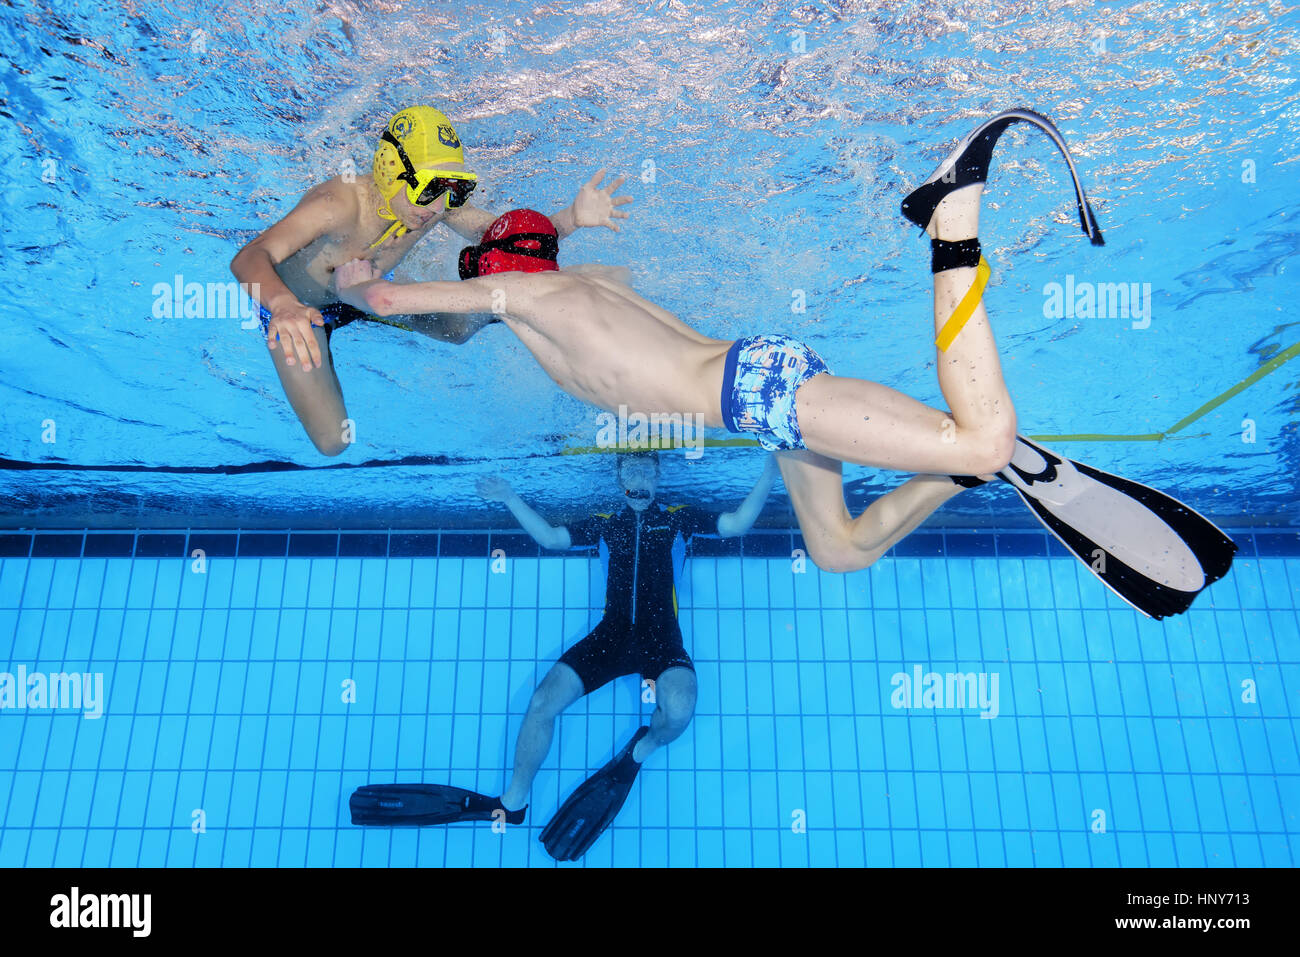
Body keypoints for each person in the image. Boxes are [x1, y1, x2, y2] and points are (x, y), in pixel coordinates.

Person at [334, 109, 1236, 615]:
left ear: (495, 272)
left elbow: (394, 295)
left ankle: (951, 217)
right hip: (761, 390)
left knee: (979, 431)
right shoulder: (570, 284)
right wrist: (555, 221)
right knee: (838, 551)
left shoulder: (521, 296)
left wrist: (351, 271)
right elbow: (505, 237)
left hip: (765, 394)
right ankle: (974, 471)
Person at [349, 450, 780, 860]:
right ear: (618, 481)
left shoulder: (679, 520)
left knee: (681, 710)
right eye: (630, 472)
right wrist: (509, 497)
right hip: (609, 638)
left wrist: (769, 474)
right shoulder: (605, 524)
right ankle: (513, 800)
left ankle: (641, 748)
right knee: (541, 704)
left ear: (659, 477)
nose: (638, 479)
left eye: (646, 471)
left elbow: (736, 524)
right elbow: (553, 539)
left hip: (660, 640)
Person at [230, 104, 631, 454]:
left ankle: (511, 304)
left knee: (458, 329)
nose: (439, 207)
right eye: (430, 190)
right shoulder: (335, 206)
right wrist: (283, 307)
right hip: (299, 311)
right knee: (333, 442)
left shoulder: (434, 203)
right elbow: (250, 256)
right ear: (391, 171)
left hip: (363, 287)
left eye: (454, 192)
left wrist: (570, 220)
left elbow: (510, 239)